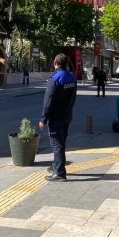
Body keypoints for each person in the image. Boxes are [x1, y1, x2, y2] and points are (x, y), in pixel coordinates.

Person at [39, 54, 77, 182]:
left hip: (56, 117)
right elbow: (73, 99)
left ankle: (60, 172)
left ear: (55, 62)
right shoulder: (72, 78)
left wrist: (43, 119)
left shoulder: (54, 79)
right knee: (61, 143)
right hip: (67, 116)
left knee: (57, 143)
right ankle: (57, 166)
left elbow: (48, 101)